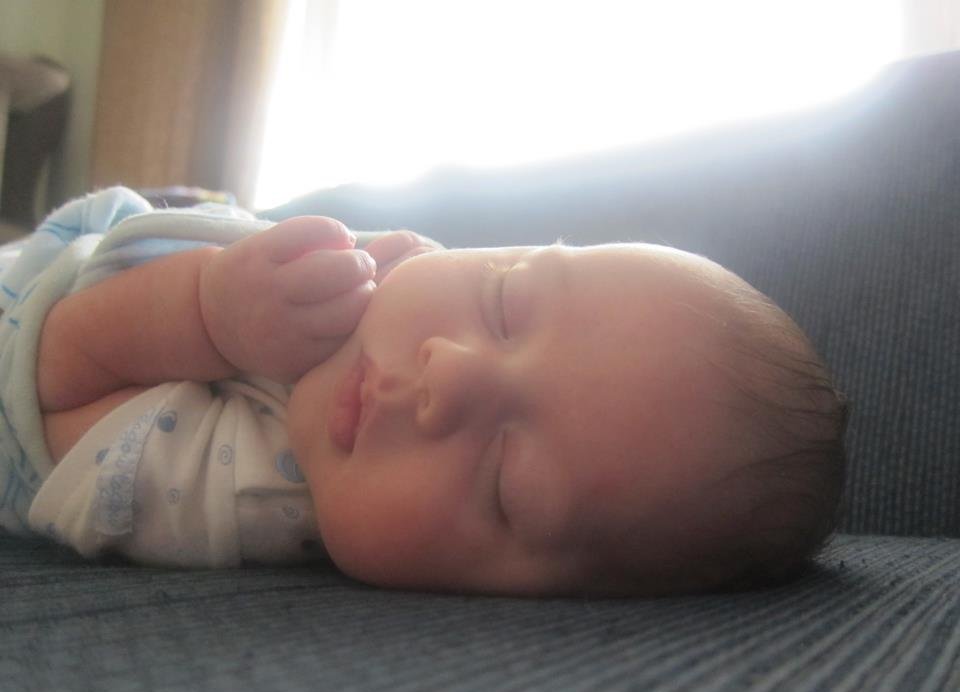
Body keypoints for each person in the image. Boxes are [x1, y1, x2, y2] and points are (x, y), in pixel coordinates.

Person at [0, 187, 847, 597]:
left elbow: (43, 394)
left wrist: (207, 312)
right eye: (506, 300)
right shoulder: (398, 293)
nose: (450, 373)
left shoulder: (241, 489)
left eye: (507, 484)